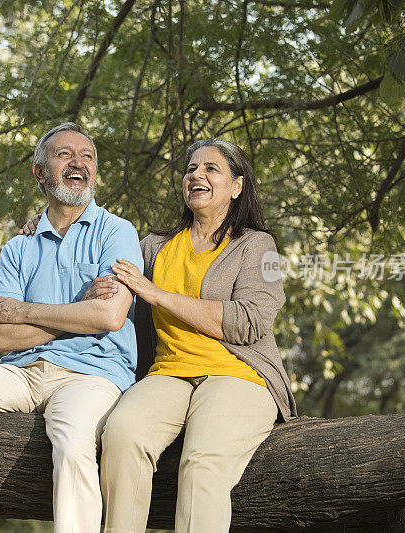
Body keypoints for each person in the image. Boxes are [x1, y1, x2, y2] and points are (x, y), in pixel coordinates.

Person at [22, 137, 297, 532]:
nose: (196, 175)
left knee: (202, 462)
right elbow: (91, 252)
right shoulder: (153, 247)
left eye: (210, 169)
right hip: (168, 374)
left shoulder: (260, 247)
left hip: (238, 375)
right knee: (120, 436)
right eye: (190, 169)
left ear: (237, 186)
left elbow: (249, 322)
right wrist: (48, 222)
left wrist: (157, 294)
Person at [0, 122, 143, 533]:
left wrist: (26, 311)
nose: (78, 163)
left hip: (91, 375)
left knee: (72, 445)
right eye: (64, 155)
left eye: (87, 156)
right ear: (40, 172)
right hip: (21, 371)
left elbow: (108, 317)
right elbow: (0, 336)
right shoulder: (19, 246)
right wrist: (77, 311)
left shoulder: (117, 232)